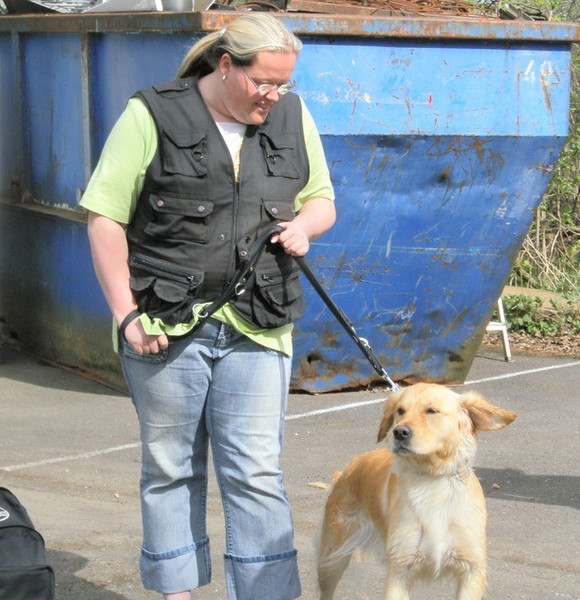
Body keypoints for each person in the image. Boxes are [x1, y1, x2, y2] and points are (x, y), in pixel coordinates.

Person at [80, 14, 335, 600]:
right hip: (165, 324)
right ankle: (177, 593)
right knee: (170, 466)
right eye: (263, 83)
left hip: (259, 325)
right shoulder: (151, 113)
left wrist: (304, 227)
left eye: (284, 85)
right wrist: (126, 314)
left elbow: (321, 198)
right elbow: (104, 217)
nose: (273, 96)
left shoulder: (293, 117)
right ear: (226, 65)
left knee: (256, 472)